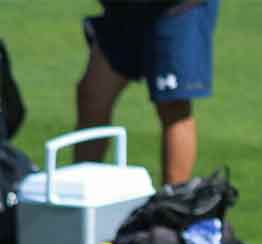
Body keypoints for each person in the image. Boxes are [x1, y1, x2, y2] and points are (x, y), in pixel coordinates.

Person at [74, 0, 220, 186]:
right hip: (125, 9)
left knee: (172, 105)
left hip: (176, 7)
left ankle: (173, 204)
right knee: (93, 94)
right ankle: (80, 193)